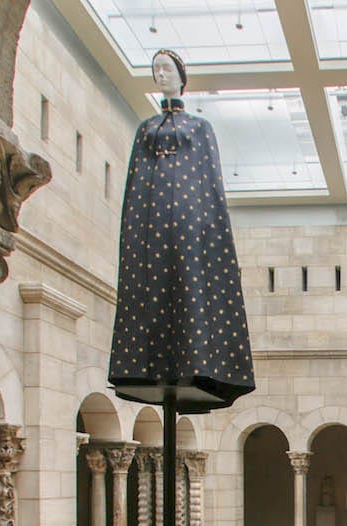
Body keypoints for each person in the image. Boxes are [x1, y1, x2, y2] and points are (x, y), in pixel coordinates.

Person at [108, 49, 255, 413]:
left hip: (190, 222)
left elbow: (211, 185)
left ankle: (198, 363)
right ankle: (149, 363)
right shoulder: (146, 129)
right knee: (153, 287)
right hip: (152, 220)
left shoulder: (200, 128)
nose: (161, 74)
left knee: (189, 287)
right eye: (156, 69)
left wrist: (207, 232)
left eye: (167, 68)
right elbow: (134, 182)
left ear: (182, 76)